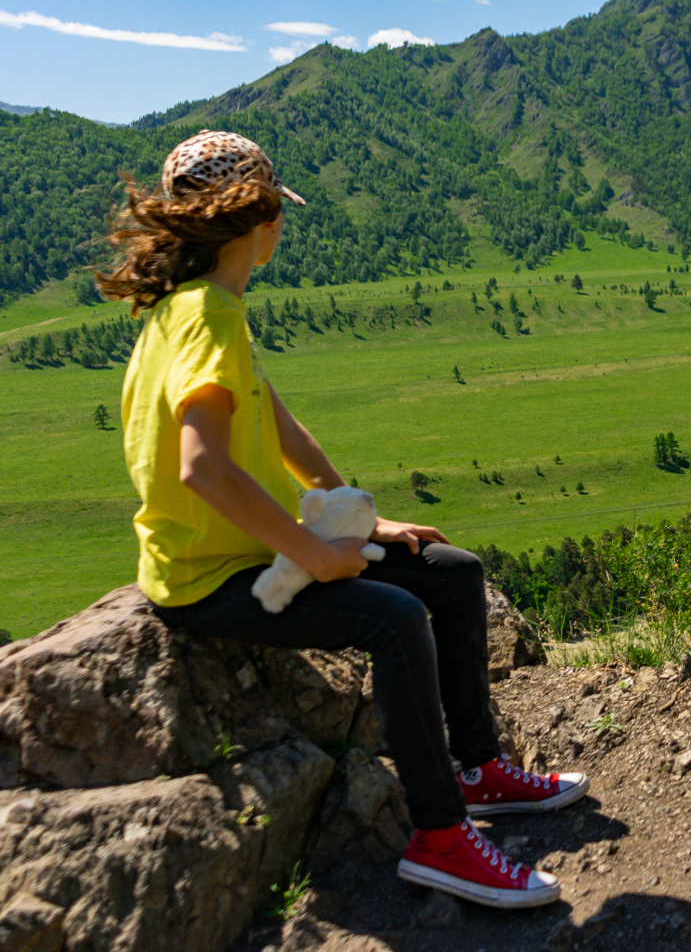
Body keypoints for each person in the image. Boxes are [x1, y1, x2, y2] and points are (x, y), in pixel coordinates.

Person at [101, 129, 585, 909]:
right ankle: (440, 837)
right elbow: (202, 466)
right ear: (258, 221)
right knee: (393, 618)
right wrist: (315, 554)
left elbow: (284, 430)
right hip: (208, 577)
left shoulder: (197, 309)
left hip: (244, 556)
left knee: (451, 574)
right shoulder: (207, 318)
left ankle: (479, 768)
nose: (281, 229)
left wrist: (365, 519)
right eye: (276, 213)